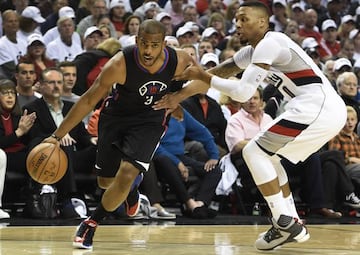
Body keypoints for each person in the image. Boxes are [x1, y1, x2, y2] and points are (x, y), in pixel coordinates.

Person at [153, 1, 347, 250]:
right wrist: (178, 96)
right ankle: (291, 223)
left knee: (254, 151)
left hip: (317, 105)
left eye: (244, 18)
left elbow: (244, 92)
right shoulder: (252, 52)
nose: (237, 23)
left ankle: (283, 221)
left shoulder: (271, 41)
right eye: (236, 19)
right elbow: (220, 73)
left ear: (263, 23)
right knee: (271, 159)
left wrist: (201, 74)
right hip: (321, 109)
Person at [40, 20, 194, 250]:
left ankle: (91, 222)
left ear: (164, 44)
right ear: (136, 40)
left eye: (154, 45)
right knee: (106, 182)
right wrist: (57, 135)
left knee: (127, 171)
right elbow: (89, 100)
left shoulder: (180, 59)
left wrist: (178, 97)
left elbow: (205, 79)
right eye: (144, 44)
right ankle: (132, 191)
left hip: (150, 120)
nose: (148, 51)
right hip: (116, 118)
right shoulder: (119, 63)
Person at [153, 105, 222, 218]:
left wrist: (214, 155)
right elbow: (154, 145)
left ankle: (199, 205)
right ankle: (189, 203)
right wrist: (177, 163)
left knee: (214, 171)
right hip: (158, 157)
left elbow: (202, 131)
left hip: (180, 156)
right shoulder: (153, 113)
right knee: (166, 163)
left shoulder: (180, 111)